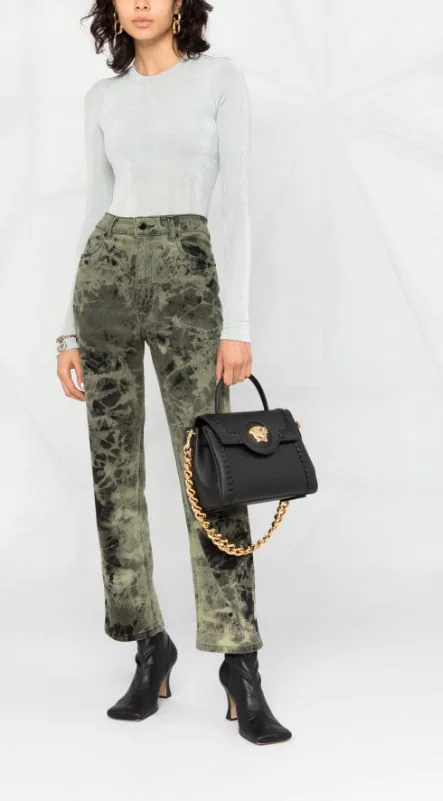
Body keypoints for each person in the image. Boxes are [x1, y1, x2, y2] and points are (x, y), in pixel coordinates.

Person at [55, 0, 291, 746]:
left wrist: (237, 324)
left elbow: (236, 203)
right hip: (106, 283)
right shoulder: (103, 98)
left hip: (191, 282)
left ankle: (240, 663)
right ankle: (146, 644)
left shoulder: (217, 80)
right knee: (113, 473)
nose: (141, 3)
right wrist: (68, 327)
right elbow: (95, 205)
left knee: (211, 472)